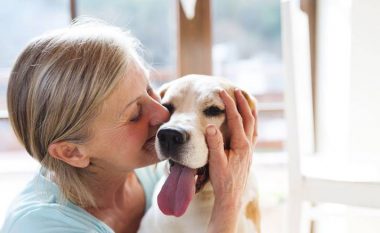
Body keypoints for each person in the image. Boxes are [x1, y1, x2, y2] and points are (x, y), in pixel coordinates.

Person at [1, 19, 257, 233]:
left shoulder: (150, 172)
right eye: (135, 114)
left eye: (150, 90)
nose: (162, 115)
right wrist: (227, 205)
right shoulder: (40, 227)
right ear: (73, 152)